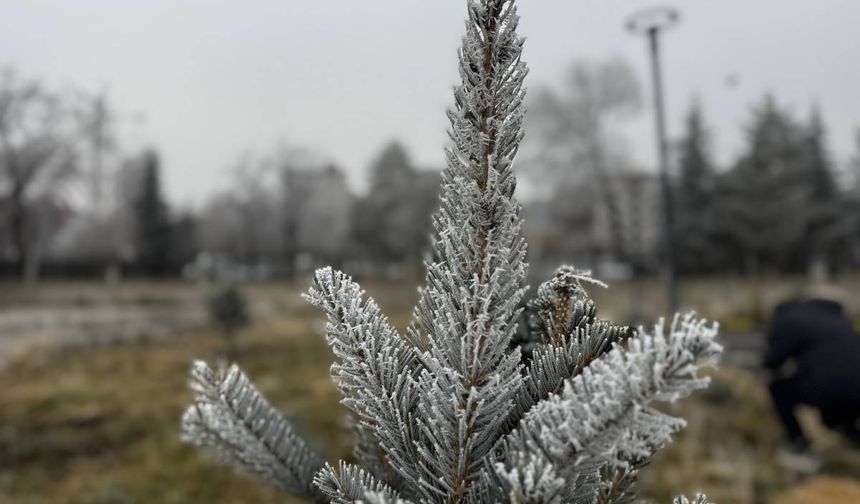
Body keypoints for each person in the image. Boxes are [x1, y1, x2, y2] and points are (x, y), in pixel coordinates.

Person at [764, 293, 860, 472]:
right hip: (855, 388)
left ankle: (799, 445)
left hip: (828, 387)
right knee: (836, 415)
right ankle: (852, 442)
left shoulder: (790, 318)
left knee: (777, 388)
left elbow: (771, 362)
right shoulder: (839, 319)